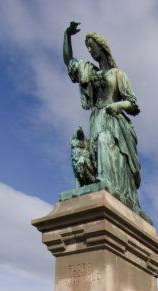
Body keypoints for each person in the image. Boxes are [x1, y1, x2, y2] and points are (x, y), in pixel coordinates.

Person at [63, 21, 145, 217]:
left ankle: (117, 194)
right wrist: (67, 35)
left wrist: (116, 106)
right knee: (97, 149)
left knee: (108, 149)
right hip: (97, 118)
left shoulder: (118, 75)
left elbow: (133, 104)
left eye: (92, 46)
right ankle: (102, 189)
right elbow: (69, 61)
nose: (90, 51)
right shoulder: (89, 71)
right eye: (88, 48)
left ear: (102, 47)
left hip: (115, 122)